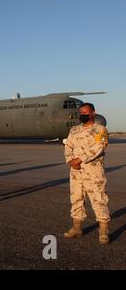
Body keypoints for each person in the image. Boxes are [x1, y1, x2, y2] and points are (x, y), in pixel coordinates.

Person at [64, 103, 110, 245]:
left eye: (85, 112)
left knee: (98, 199)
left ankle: (103, 233)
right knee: (76, 198)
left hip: (93, 171)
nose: (82, 114)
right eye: (81, 112)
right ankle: (77, 228)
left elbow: (99, 147)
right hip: (76, 171)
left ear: (93, 113)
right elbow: (68, 146)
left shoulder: (100, 130)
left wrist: (80, 159)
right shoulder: (74, 130)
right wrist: (70, 161)